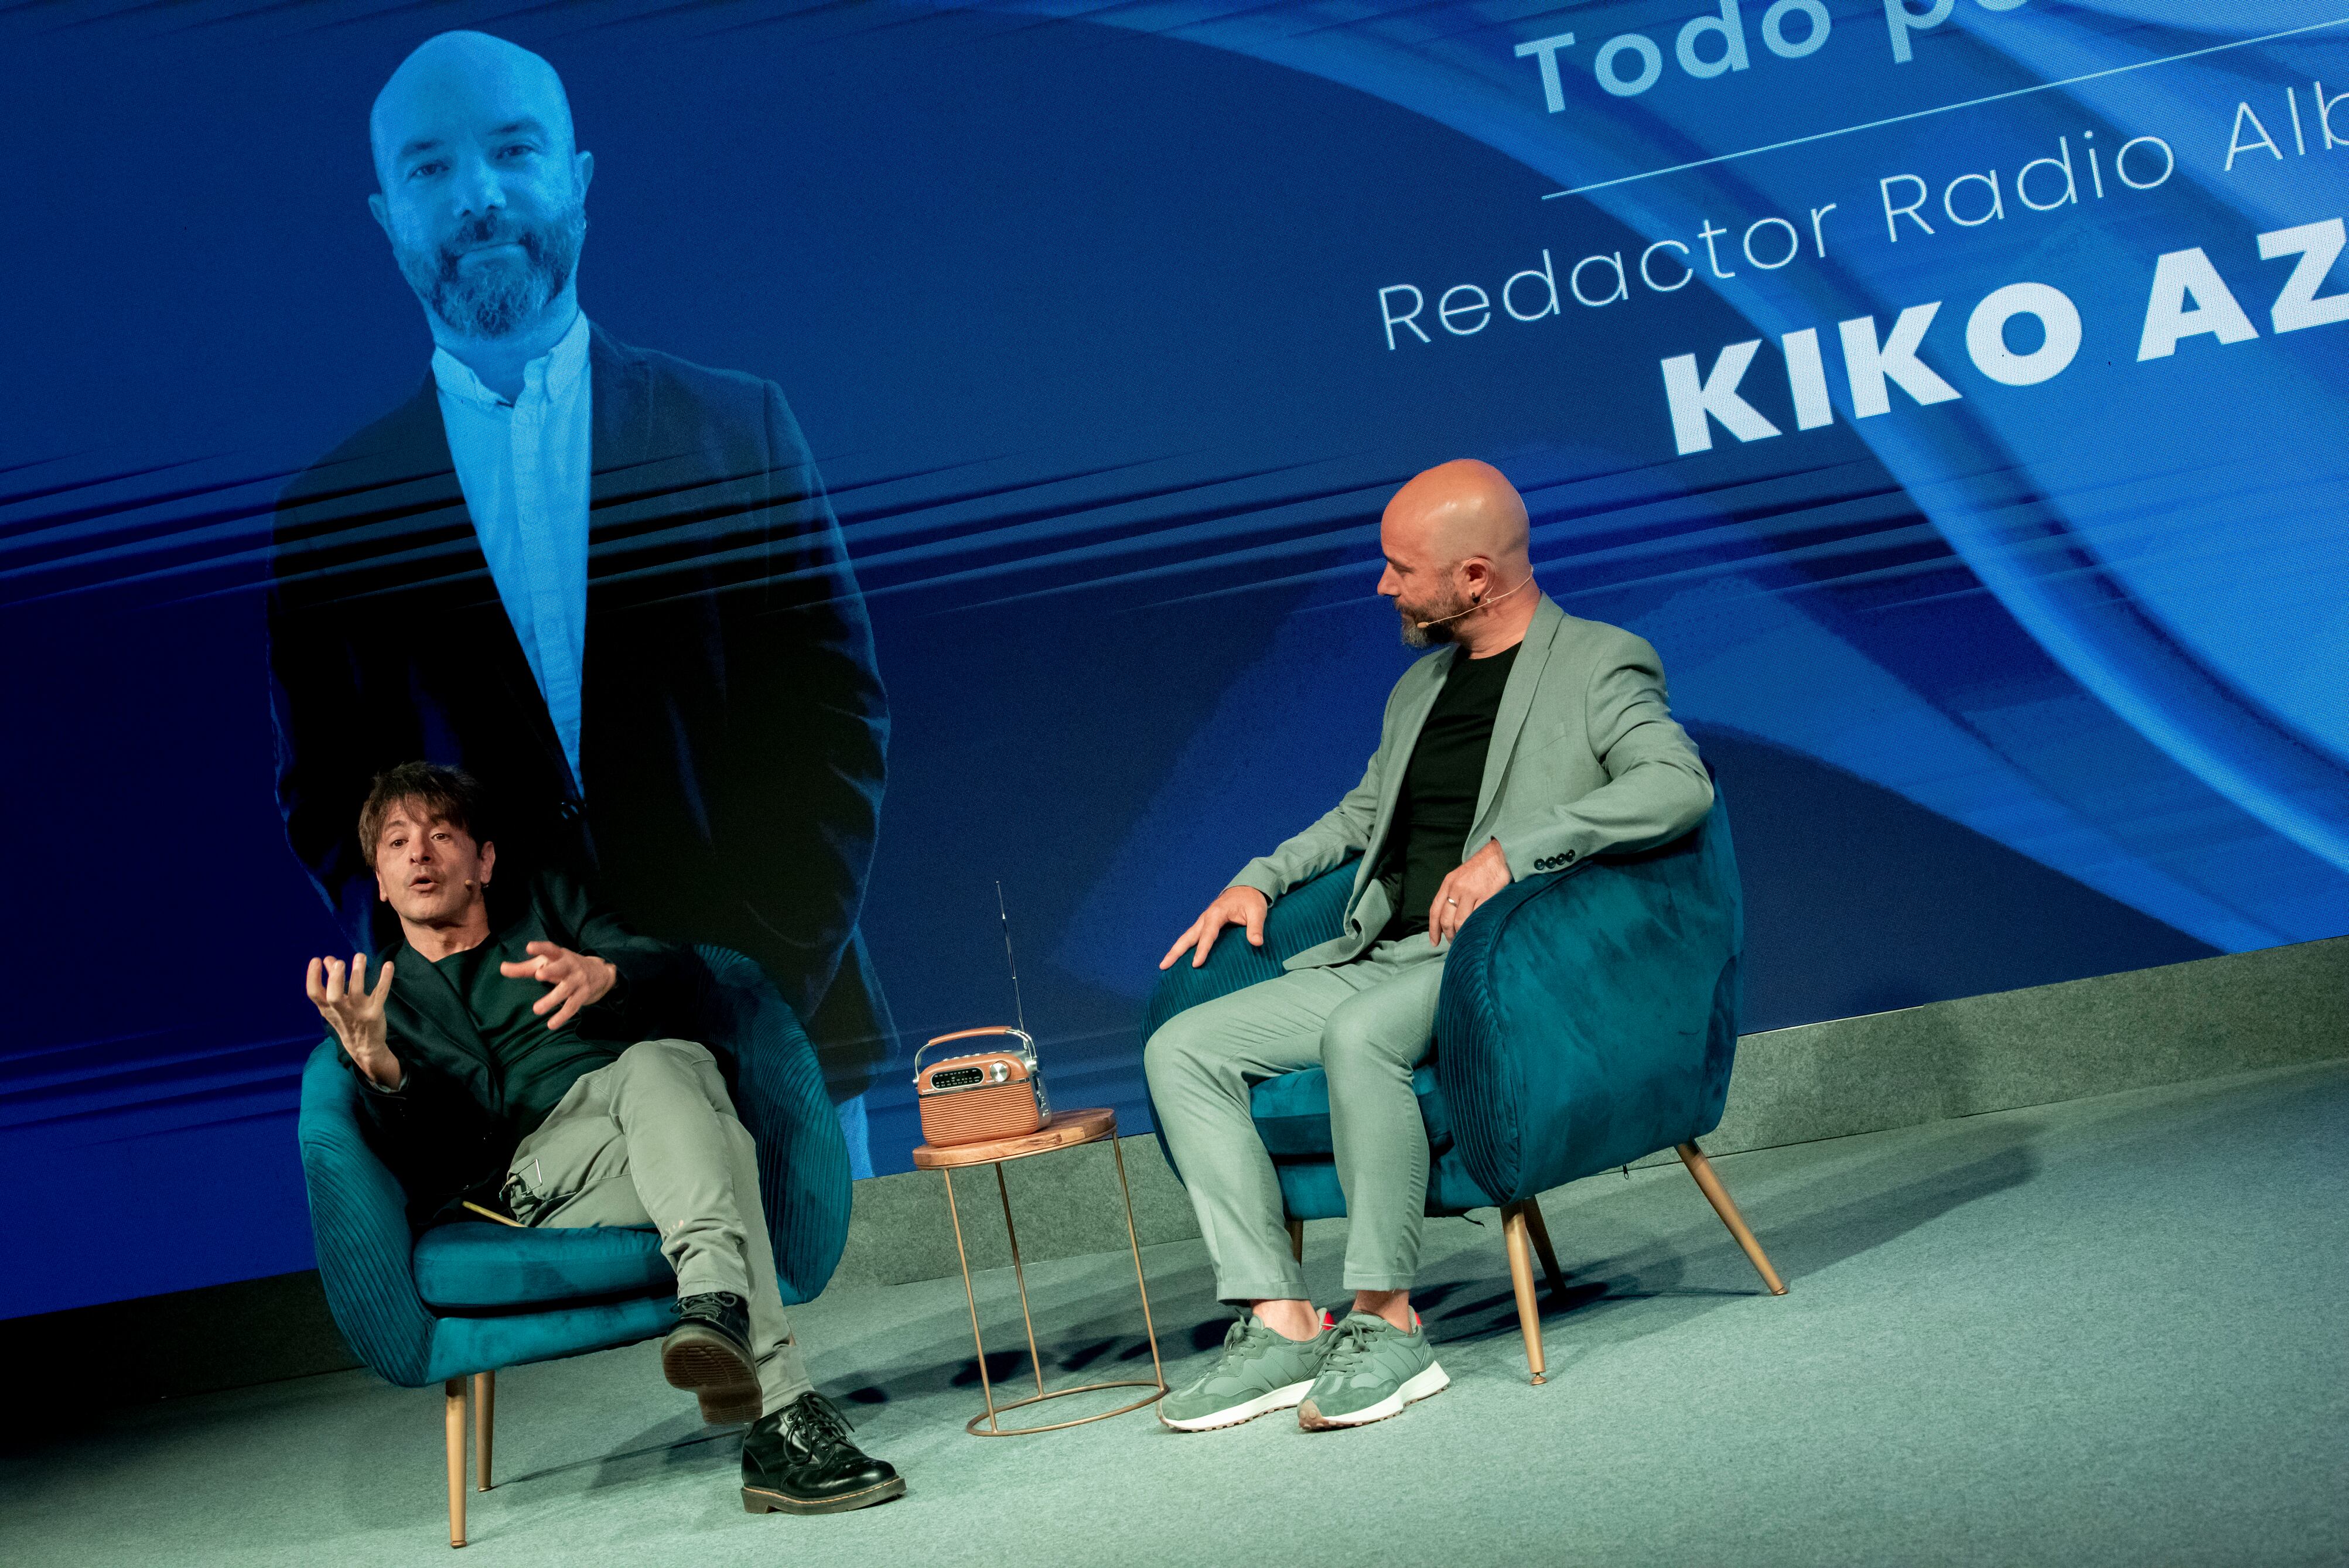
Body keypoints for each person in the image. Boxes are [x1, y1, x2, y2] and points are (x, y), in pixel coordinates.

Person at [268, 30, 894, 1168]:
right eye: (430, 168)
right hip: (523, 1072)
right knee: (605, 1349)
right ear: (386, 217)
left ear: (580, 180)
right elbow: (331, 803)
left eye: (513, 149)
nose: (479, 195)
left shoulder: (738, 430)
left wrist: (747, 982)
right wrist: (463, 1007)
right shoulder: (332, 515)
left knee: (841, 1335)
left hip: (772, 1027)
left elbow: (833, 729)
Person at [1145, 459, 1714, 1432]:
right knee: (1184, 1046)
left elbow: (1676, 786)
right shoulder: (1420, 686)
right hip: (1391, 955)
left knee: (1361, 1034)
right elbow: (1364, 814)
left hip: (1509, 963)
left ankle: (1388, 1319)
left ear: (1478, 575)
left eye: (1401, 569)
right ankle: (1279, 1319)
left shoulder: (1600, 662)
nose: (1382, 586)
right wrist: (1262, 875)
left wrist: (1514, 853)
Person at [304, 762, 904, 1515]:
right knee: (713, 1128)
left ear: (483, 861)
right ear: (382, 882)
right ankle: (753, 1362)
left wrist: (606, 974)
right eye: (398, 843)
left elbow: (683, 970)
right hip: (531, 1181)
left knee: (681, 1096)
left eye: (441, 833)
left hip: (639, 1135)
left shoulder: (550, 910)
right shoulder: (385, 1000)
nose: (420, 852)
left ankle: (759, 1394)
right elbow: (430, 1166)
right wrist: (383, 1069)